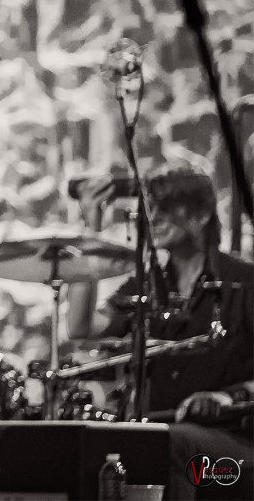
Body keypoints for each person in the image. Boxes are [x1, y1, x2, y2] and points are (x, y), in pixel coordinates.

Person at [67, 161, 253, 500]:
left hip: (235, 447)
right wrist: (91, 232)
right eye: (151, 207)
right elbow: (81, 326)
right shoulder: (147, 285)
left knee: (167, 443)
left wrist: (227, 397)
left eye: (168, 206)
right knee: (100, 445)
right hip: (158, 431)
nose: (155, 216)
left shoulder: (245, 282)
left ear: (203, 213)